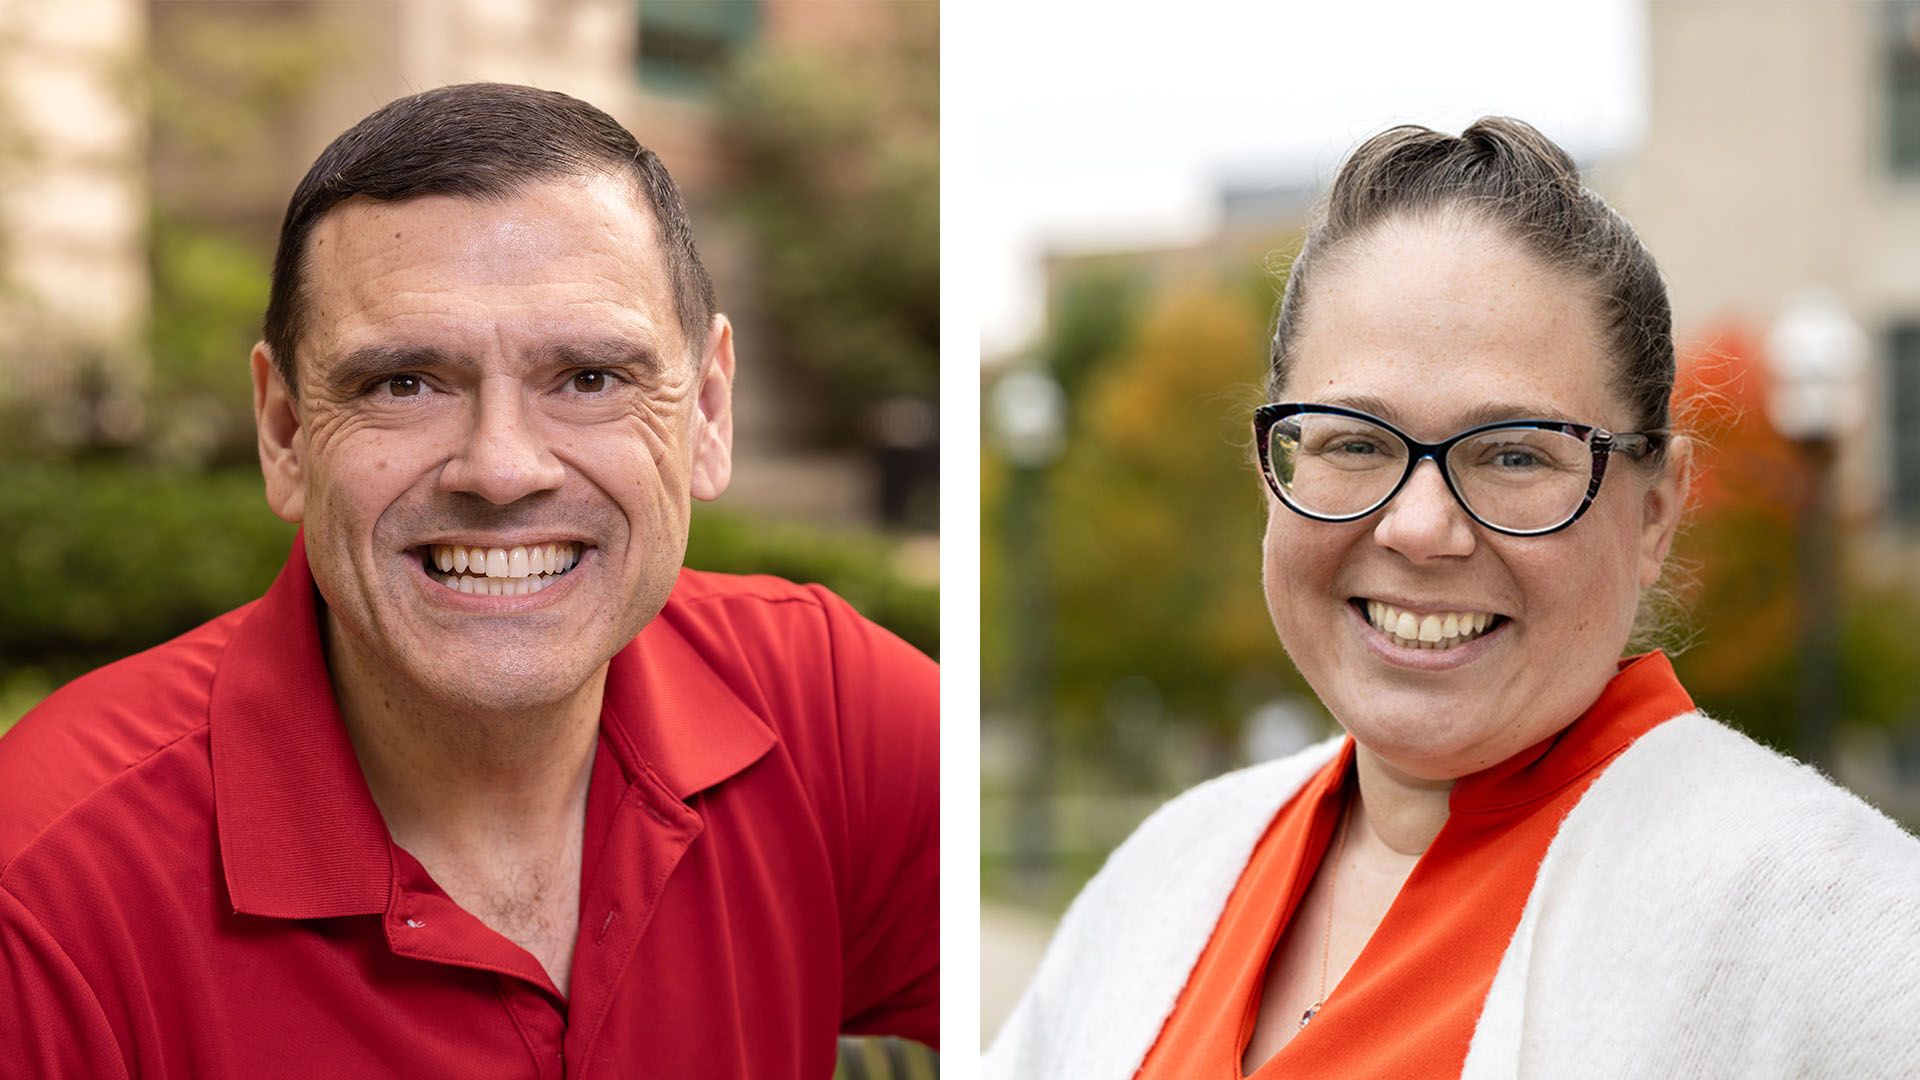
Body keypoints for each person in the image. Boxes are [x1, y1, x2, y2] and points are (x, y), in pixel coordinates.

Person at [0, 84, 938, 1078]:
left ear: (706, 413)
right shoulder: (49, 897)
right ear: (284, 433)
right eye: (404, 383)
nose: (500, 468)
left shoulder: (823, 710)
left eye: (589, 378)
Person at [986, 118, 1920, 1079]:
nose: (1420, 526)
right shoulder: (1168, 875)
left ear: (1655, 512)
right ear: (1275, 469)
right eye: (1354, 441)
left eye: (1514, 453)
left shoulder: (1842, 940)